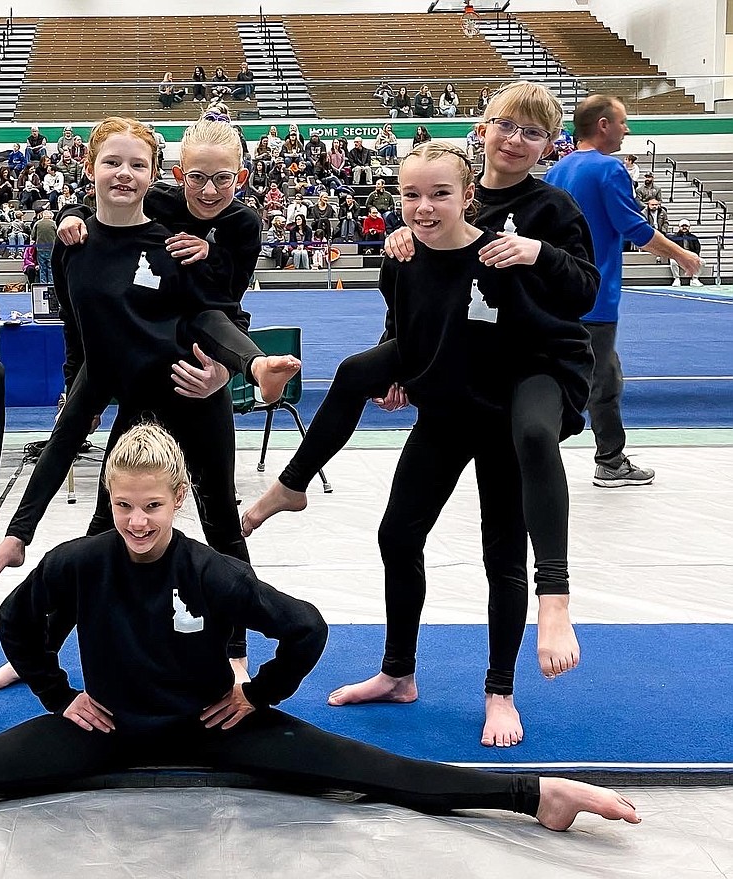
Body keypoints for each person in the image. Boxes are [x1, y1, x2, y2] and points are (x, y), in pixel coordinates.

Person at [0, 423, 642, 841]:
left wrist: (253, 698)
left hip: (205, 723)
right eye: (123, 504)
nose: (136, 521)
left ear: (181, 500)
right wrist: (61, 695)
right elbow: (18, 620)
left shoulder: (215, 569)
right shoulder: (78, 561)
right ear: (108, 498)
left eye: (153, 506)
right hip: (101, 725)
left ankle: (535, 795)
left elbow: (302, 630)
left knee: (372, 771)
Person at [243, 128, 597, 749]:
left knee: (500, 556)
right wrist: (401, 370)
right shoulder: (401, 255)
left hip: (502, 411)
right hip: (447, 411)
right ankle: (398, 671)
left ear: (469, 197)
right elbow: (405, 321)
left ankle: (500, 690)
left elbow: (550, 325)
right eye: (411, 195)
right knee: (396, 531)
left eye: (439, 194)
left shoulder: (499, 257)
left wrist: (551, 381)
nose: (424, 207)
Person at [0, 116, 299, 695]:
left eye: (136, 165)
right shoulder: (73, 246)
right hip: (119, 383)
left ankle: (235, 650)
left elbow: (213, 312)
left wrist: (236, 367)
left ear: (153, 175)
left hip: (191, 386)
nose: (124, 173)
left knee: (221, 521)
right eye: (112, 163)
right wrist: (17, 534)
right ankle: (39, 653)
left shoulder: (175, 241)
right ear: (89, 167)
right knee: (103, 535)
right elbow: (76, 325)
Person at [545, 95, 703, 487]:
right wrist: (683, 254)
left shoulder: (557, 171)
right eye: (623, 122)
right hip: (595, 298)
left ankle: (532, 451)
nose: (627, 130)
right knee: (603, 381)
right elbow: (634, 228)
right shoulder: (609, 170)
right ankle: (610, 460)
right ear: (603, 125)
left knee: (559, 375)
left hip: (556, 295)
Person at [667, 220, 704, 286]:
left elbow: (697, 249)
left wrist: (693, 257)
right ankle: (677, 279)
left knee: (702, 262)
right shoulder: (674, 238)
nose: (684, 227)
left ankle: (695, 279)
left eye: (686, 226)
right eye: (682, 226)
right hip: (678, 257)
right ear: (679, 227)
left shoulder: (693, 237)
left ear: (689, 227)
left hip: (690, 256)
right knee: (672, 261)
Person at [30, 208, 57, 284]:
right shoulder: (54, 224)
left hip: (40, 249)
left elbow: (33, 236)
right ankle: (51, 285)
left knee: (42, 268)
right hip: (51, 249)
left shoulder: (37, 223)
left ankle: (43, 284)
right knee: (50, 267)